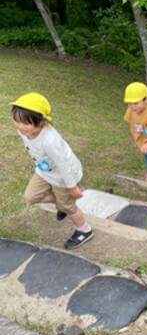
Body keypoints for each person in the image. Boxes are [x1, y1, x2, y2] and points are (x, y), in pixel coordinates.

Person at [10, 92, 93, 250]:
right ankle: (61, 203)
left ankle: (84, 230)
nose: (20, 127)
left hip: (64, 176)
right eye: (16, 121)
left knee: (68, 206)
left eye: (26, 123)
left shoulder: (49, 140)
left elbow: (63, 165)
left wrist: (72, 187)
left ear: (41, 122)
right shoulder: (23, 131)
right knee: (30, 197)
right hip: (45, 171)